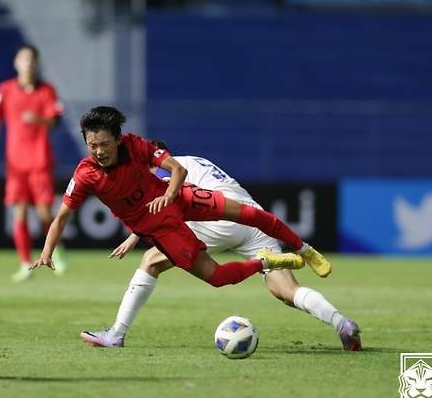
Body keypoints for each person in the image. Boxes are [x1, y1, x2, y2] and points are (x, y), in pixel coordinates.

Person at [30, 106, 331, 299]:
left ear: (118, 139)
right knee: (218, 278)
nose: (98, 151)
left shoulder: (135, 144)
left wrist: (170, 194)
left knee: (251, 214)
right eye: (92, 145)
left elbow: (178, 169)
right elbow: (61, 218)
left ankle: (306, 250)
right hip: (161, 229)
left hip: (180, 199)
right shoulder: (85, 175)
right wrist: (46, 251)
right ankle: (266, 262)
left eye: (104, 144)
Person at [81, 151, 362, 351]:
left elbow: (169, 201)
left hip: (217, 220)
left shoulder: (164, 168)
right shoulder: (195, 159)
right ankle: (342, 324)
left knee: (151, 261)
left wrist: (135, 236)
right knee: (286, 290)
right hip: (249, 220)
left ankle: (117, 333)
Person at [0, 44, 67, 283]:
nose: (27, 63)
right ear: (16, 62)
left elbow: (56, 121)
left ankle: (55, 252)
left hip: (40, 160)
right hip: (15, 162)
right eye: (23, 58)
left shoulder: (47, 90)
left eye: (30, 59)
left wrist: (39, 119)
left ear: (36, 64)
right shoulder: (4, 90)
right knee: (18, 212)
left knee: (43, 211)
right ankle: (25, 263)